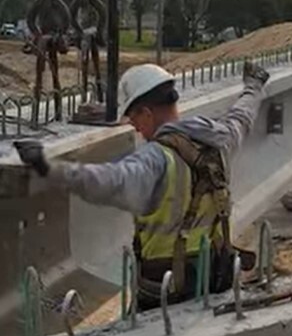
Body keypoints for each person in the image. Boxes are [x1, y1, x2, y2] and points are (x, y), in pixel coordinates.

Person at [15, 59, 269, 309]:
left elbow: (109, 181)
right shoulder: (220, 139)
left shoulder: (156, 159)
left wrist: (48, 167)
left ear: (146, 113)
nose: (135, 128)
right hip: (213, 278)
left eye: (134, 119)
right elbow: (242, 116)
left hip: (165, 291)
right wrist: (254, 85)